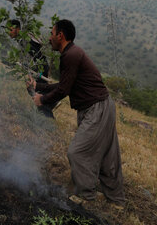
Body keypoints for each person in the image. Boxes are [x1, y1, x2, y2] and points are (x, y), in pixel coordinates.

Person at [27, 19, 125, 206]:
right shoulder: (72, 53)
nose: (49, 38)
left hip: (97, 108)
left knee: (77, 152)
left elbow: (63, 90)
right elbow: (66, 85)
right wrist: (38, 86)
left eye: (52, 33)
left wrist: (42, 99)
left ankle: (85, 197)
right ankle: (116, 201)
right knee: (107, 157)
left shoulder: (70, 55)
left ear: (60, 35)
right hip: (98, 107)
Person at [8, 19, 56, 118]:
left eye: (11, 29)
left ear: (17, 29)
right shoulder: (23, 39)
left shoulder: (25, 39)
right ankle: (48, 110)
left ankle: (47, 117)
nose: (9, 32)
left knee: (35, 91)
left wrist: (35, 73)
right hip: (38, 69)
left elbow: (35, 56)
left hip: (40, 69)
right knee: (36, 91)